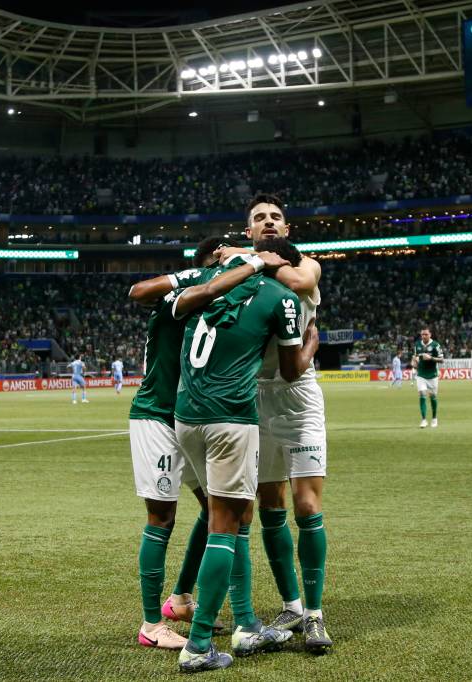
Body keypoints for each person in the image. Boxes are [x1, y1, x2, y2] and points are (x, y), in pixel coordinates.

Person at [125, 236, 289, 652]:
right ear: (215, 262)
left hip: (190, 416)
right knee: (162, 517)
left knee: (222, 513)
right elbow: (141, 291)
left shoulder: (220, 299)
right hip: (157, 415)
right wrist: (246, 267)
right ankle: (151, 624)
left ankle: (183, 600)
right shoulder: (187, 295)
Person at [173, 238, 318, 673]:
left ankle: (246, 623)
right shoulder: (282, 297)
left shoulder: (210, 281)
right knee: (228, 524)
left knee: (230, 518)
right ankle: (199, 644)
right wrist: (312, 341)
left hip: (185, 415)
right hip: (230, 417)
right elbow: (291, 370)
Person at [219, 194, 333, 653]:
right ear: (248, 229)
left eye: (275, 218)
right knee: (269, 506)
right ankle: (291, 604)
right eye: (259, 219)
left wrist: (254, 260)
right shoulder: (240, 273)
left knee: (307, 507)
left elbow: (300, 277)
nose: (268, 222)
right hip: (255, 397)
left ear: (286, 229)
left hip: (301, 398)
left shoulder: (307, 265)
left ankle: (317, 614)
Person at [412, 327, 444, 428]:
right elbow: (415, 358)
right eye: (422, 334)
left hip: (433, 375)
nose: (424, 336)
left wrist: (431, 358)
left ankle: (434, 418)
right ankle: (424, 420)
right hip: (421, 374)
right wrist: (414, 362)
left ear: (430, 335)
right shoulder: (417, 345)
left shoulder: (436, 345)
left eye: (426, 334)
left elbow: (442, 359)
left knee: (433, 397)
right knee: (422, 394)